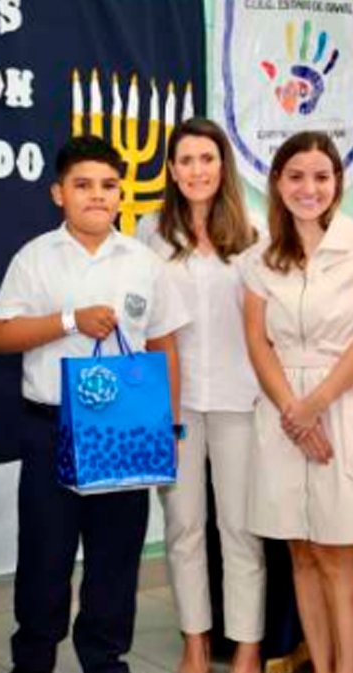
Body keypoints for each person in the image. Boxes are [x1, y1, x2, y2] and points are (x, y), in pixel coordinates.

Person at [0, 135, 188, 673]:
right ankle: (34, 659)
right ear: (59, 193)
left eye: (108, 185)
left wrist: (168, 424)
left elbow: (163, 344)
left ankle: (105, 659)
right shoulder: (35, 257)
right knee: (44, 557)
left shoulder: (144, 261)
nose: (97, 195)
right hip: (50, 427)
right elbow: (1, 335)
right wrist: (70, 321)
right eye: (82, 185)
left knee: (116, 559)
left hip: (125, 431)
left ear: (122, 194)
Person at [135, 117, 264, 673]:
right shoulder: (149, 231)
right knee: (183, 526)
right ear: (170, 168)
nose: (196, 170)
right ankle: (195, 641)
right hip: (176, 403)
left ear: (223, 165)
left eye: (206, 159)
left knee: (240, 529)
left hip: (243, 401)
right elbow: (143, 320)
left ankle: (248, 647)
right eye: (185, 160)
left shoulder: (256, 232)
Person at [241, 131, 353, 673]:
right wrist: (293, 410)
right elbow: (257, 341)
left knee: (338, 553)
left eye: (321, 177)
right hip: (281, 410)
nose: (309, 188)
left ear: (338, 183)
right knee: (301, 552)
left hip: (341, 406)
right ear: (277, 183)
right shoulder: (259, 259)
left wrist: (316, 405)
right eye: (296, 176)